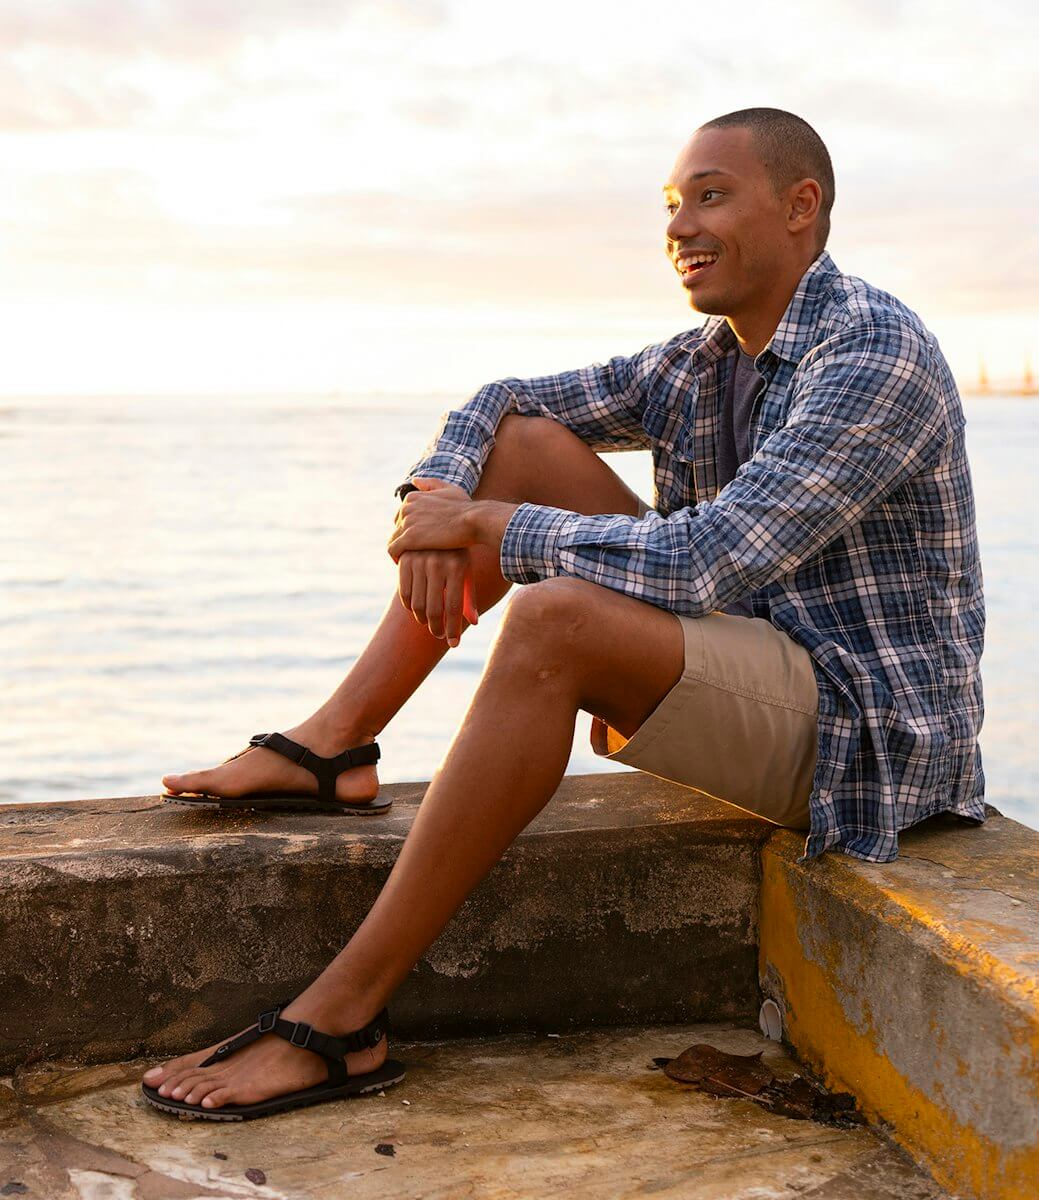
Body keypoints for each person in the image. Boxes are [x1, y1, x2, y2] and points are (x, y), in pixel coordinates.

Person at [144, 107, 986, 1120]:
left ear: (800, 207)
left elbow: (704, 561)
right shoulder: (700, 363)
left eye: (710, 195)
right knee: (531, 445)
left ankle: (340, 1020)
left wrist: (489, 526)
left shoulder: (871, 356)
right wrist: (433, 501)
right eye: (672, 205)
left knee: (555, 616)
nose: (678, 226)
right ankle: (334, 744)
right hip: (763, 665)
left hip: (867, 739)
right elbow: (503, 400)